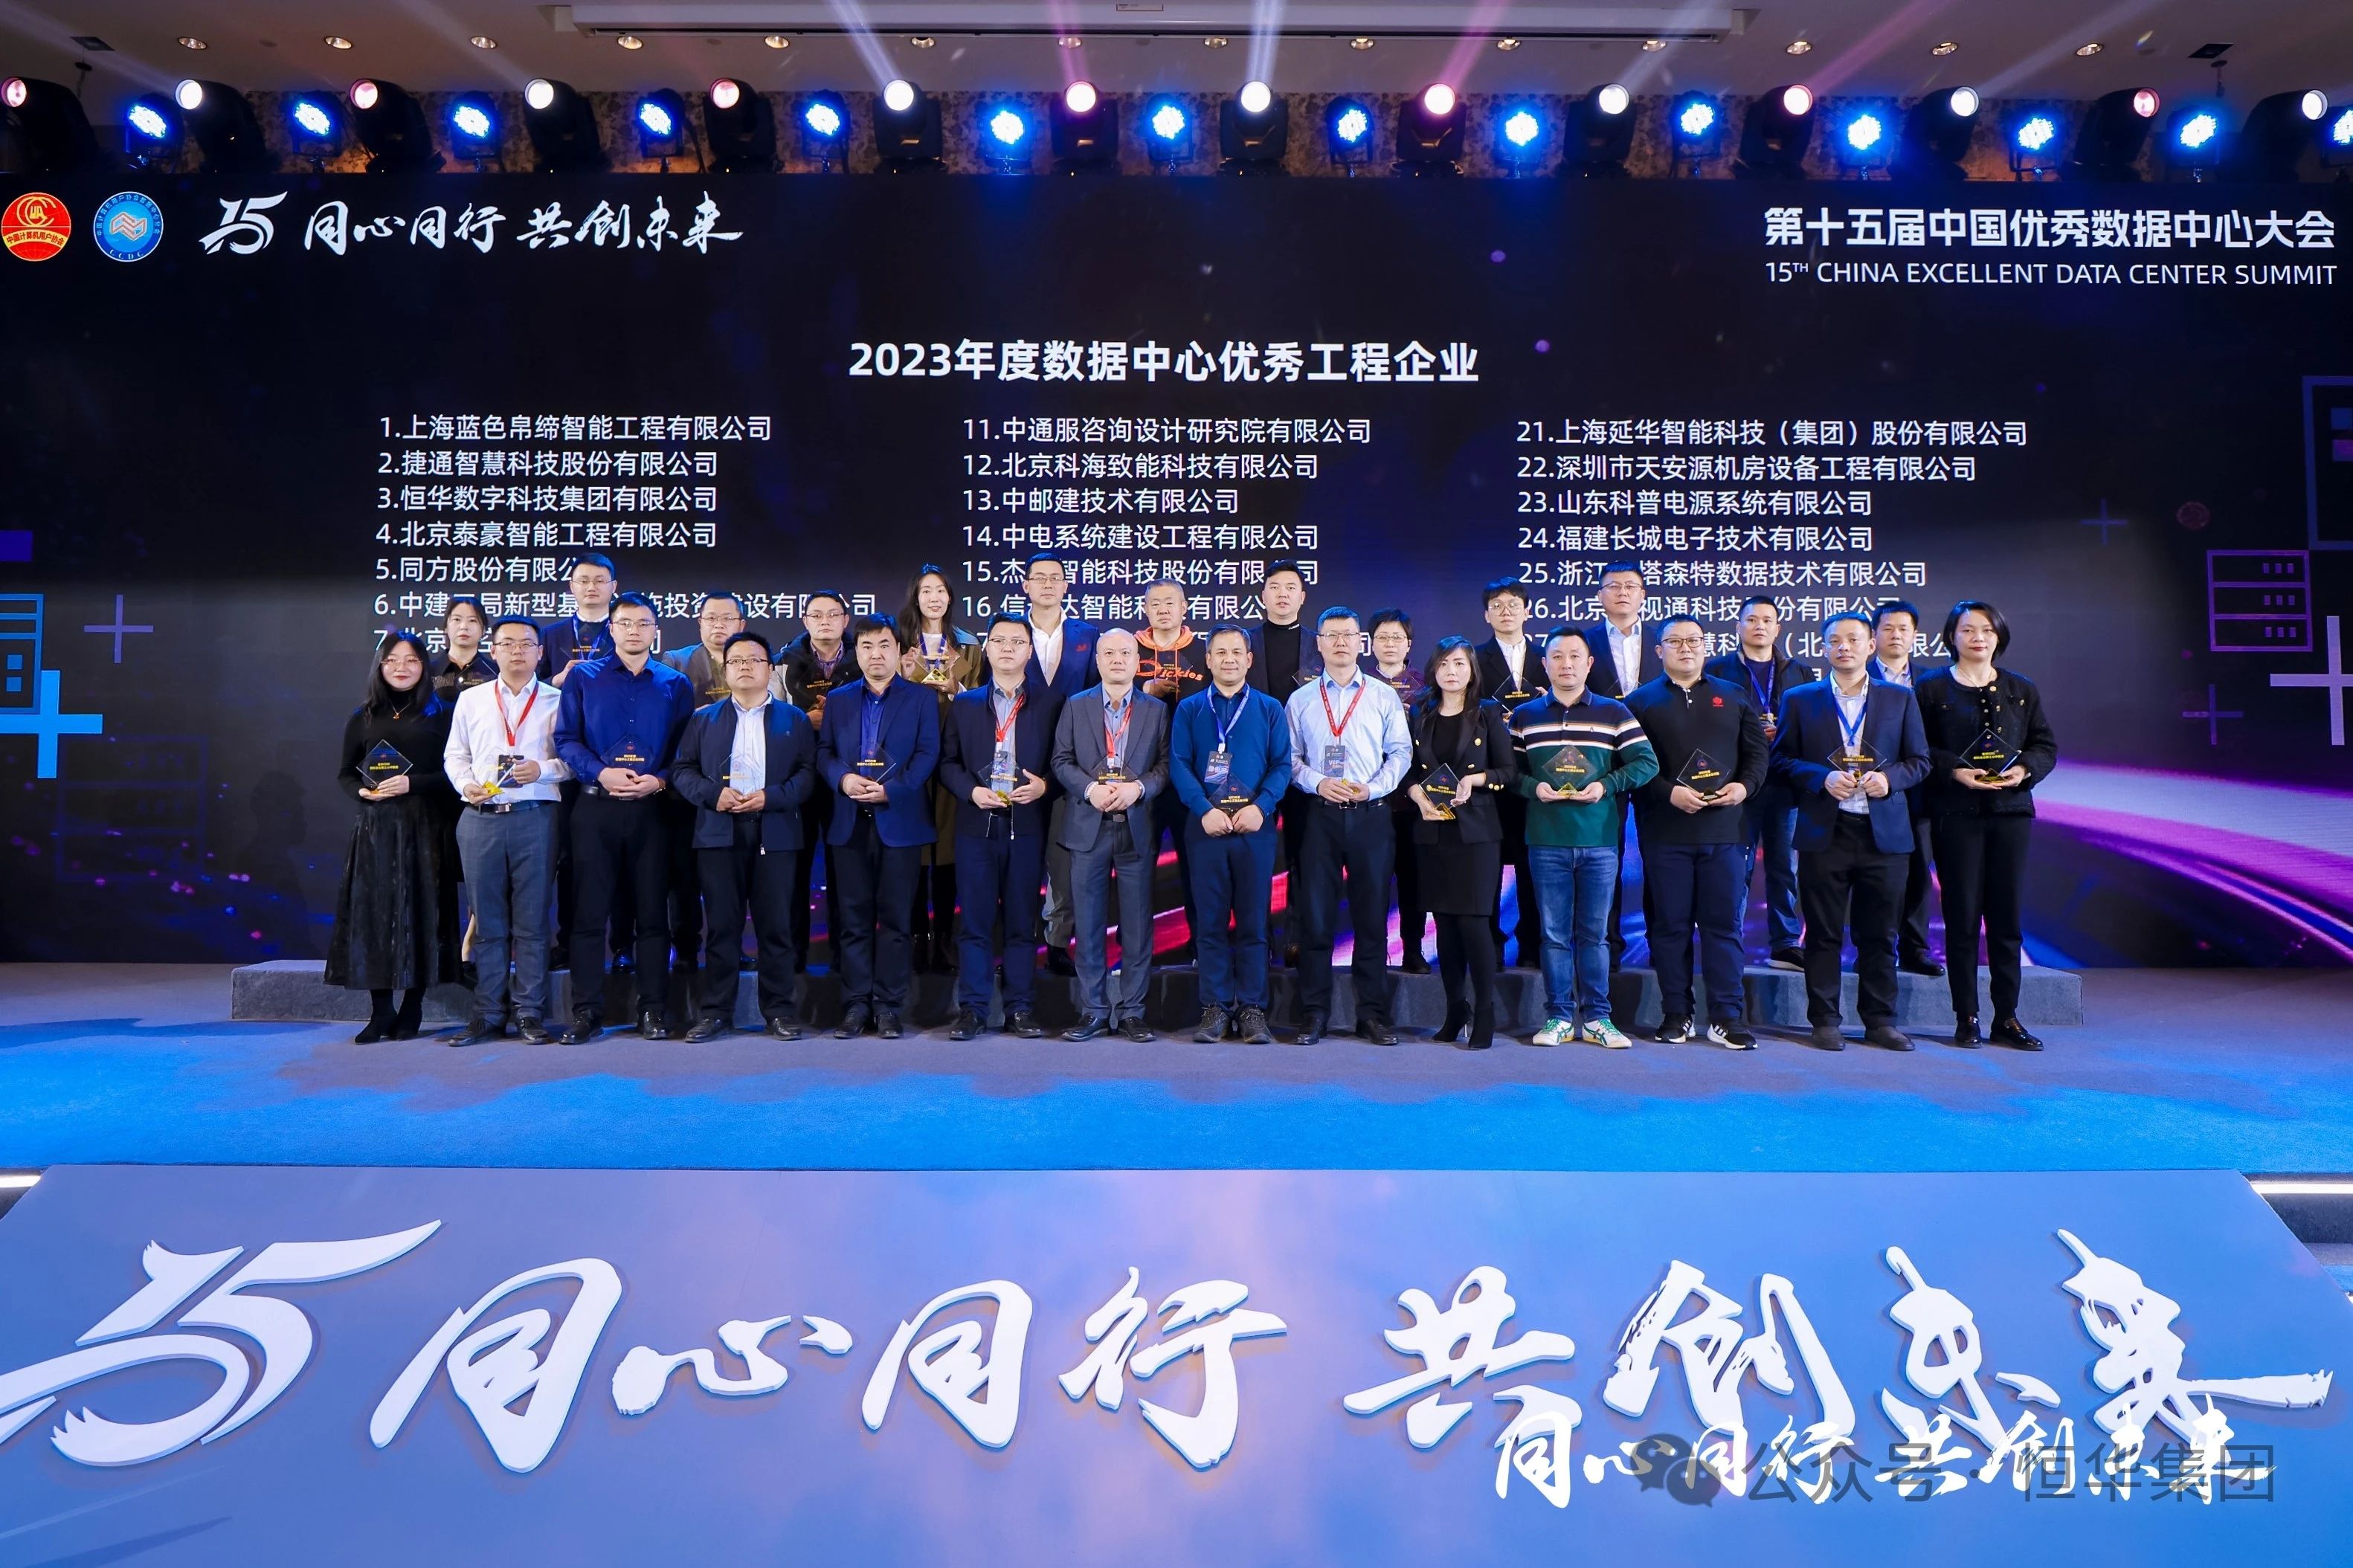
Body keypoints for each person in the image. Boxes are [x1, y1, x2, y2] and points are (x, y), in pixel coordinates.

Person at [1770, 611, 1932, 1054]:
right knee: (1823, 933)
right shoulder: (1801, 699)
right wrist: (1820, 777)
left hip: (1885, 834)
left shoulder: (1900, 698)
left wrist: (1890, 780)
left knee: (1880, 933)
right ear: (1822, 648)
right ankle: (1825, 1020)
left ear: (1870, 646)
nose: (1844, 647)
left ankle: (1880, 1021)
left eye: (1854, 639)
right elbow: (1780, 759)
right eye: (1835, 640)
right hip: (1826, 830)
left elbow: (1920, 761)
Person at [550, 593, 698, 1044]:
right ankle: (587, 1012)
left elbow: (685, 750)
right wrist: (601, 772)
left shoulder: (675, 683)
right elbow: (566, 739)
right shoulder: (584, 678)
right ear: (611, 629)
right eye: (626, 623)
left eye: (643, 624)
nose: (635, 631)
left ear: (656, 631)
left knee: (653, 914)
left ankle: (653, 1010)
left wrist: (660, 780)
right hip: (595, 807)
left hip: (654, 810)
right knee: (589, 915)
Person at [1916, 601, 2059, 1051]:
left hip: (2010, 814)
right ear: (1951, 636)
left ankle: (2007, 1017)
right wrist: (1955, 770)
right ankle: (1967, 1016)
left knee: (2006, 917)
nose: (1978, 637)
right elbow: (1918, 748)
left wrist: (2025, 771)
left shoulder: (2021, 688)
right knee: (1961, 916)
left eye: (1987, 630)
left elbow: (2044, 745)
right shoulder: (1930, 688)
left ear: (1999, 637)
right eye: (1968, 629)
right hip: (1955, 815)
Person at [1624, 615, 1768, 1051]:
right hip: (1666, 833)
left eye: (1694, 641)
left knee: (1723, 926)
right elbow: (1631, 766)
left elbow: (1757, 755)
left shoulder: (1734, 695)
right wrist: (1668, 793)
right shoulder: (1639, 702)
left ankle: (1727, 1017)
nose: (1686, 648)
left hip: (1726, 832)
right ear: (1659, 651)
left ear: (1706, 647)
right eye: (1675, 641)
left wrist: (1744, 787)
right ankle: (1676, 1013)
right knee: (1670, 927)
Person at [672, 630, 817, 1042]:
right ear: (725, 669)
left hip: (776, 833)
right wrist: (712, 795)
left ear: (770, 669)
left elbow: (808, 775)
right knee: (722, 928)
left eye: (754, 660)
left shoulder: (794, 720)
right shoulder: (704, 719)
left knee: (776, 927)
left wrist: (772, 797)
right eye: (736, 661)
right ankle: (716, 1012)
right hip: (718, 834)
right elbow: (682, 771)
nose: (745, 667)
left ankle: (779, 1011)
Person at [1513, 633, 1655, 1049]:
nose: (1566, 664)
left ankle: (1597, 1018)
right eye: (1557, 657)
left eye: (1575, 656)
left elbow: (1647, 763)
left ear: (1589, 663)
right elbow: (1508, 772)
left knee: (1595, 935)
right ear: (1545, 664)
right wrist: (1532, 788)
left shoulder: (1614, 712)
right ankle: (1558, 1016)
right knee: (1554, 935)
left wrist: (1606, 785)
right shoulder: (1524, 716)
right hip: (1546, 840)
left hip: (1599, 841)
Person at [1285, 607, 1413, 1045]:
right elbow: (1290, 759)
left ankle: (1372, 1015)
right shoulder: (1301, 699)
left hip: (1370, 816)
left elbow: (1401, 753)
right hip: (1319, 816)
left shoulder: (1383, 695)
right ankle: (1314, 1013)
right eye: (1331, 636)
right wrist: (1318, 782)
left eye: (1348, 635)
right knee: (1316, 919)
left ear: (1361, 643)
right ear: (1318, 643)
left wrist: (1373, 789)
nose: (1340, 642)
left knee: (1372, 919)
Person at [441, 616, 567, 1046]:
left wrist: (543, 769)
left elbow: (574, 760)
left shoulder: (557, 701)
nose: (517, 651)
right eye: (507, 643)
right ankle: (488, 1014)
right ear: (492, 651)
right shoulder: (472, 700)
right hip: (480, 819)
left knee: (532, 923)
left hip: (536, 816)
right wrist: (465, 785)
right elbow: (455, 755)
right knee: (488, 922)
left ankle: (529, 1013)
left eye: (526, 644)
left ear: (540, 652)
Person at [328, 630, 458, 1043]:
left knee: (422, 914)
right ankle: (381, 1010)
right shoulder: (363, 716)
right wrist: (361, 793)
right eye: (392, 660)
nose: (401, 668)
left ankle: (412, 1008)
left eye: (411, 660)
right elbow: (346, 773)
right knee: (374, 918)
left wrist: (413, 784)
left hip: (426, 826)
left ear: (424, 667)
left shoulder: (444, 713)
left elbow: (457, 774)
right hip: (376, 830)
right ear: (380, 666)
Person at [818, 616, 941, 1039]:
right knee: (852, 920)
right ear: (857, 653)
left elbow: (928, 754)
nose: (876, 655)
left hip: (899, 821)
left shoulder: (921, 699)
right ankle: (856, 1005)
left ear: (900, 651)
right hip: (849, 822)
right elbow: (824, 752)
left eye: (885, 646)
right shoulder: (839, 699)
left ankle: (889, 1006)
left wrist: (893, 790)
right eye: (867, 647)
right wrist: (843, 780)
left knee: (896, 921)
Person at [936, 614, 1056, 1041]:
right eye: (999, 641)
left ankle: (1020, 1009)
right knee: (975, 923)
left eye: (1017, 642)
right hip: (976, 826)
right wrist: (971, 791)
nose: (1008, 648)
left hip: (1027, 827)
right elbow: (947, 763)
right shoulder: (966, 704)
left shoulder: (1052, 702)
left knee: (1023, 924)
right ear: (986, 649)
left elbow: (1064, 763)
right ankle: (973, 1010)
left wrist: (1045, 785)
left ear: (1030, 650)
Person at [1170, 625, 1290, 1045]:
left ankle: (1253, 1009)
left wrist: (1262, 807)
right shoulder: (1189, 709)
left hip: (1255, 828)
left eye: (1237, 652)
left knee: (1255, 922)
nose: (1229, 660)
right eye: (1220, 652)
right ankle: (1215, 1007)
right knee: (1210, 923)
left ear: (1249, 659)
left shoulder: (1270, 708)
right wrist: (1203, 809)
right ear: (1208, 659)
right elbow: (1179, 764)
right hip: (1205, 828)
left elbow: (1282, 764)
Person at [1052, 629, 1168, 1042]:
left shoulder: (1157, 710)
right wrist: (1090, 789)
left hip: (1136, 826)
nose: (1117, 660)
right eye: (1109, 653)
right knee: (1088, 925)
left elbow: (1165, 766)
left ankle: (1134, 1011)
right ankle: (1094, 1011)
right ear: (1098, 660)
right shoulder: (1076, 704)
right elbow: (1061, 760)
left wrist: (1138, 789)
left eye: (1125, 653)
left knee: (1137, 926)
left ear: (1138, 660)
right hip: (1088, 826)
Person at [1402, 636, 1516, 1048]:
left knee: (1473, 923)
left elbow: (1509, 771)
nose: (1452, 672)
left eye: (1460, 664)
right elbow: (1407, 770)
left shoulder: (1487, 713)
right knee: (1445, 926)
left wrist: (1476, 779)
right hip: (1433, 831)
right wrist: (1416, 795)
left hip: (1476, 835)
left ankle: (1485, 1011)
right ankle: (1455, 1009)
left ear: (1472, 671)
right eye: (1445, 664)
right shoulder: (1420, 713)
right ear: (1433, 669)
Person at [1705, 595, 1815, 972]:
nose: (1759, 626)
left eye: (1767, 620)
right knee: (1736, 868)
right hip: (1735, 784)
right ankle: (1729, 939)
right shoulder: (1716, 670)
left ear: (1778, 628)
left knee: (1785, 867)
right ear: (1738, 626)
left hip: (1785, 785)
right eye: (1751, 620)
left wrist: (1781, 732)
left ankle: (1785, 943)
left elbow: (1811, 727)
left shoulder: (1801, 673)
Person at [898, 566, 984, 975]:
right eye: (925, 591)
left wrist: (956, 689)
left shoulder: (968, 645)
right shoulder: (899, 642)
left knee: (947, 850)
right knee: (914, 848)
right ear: (915, 598)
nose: (933, 598)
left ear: (950, 597)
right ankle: (917, 937)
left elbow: (983, 700)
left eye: (940, 591)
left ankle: (945, 937)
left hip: (954, 753)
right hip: (908, 755)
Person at [1020, 552, 1101, 978]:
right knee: (1017, 861)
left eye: (1056, 578)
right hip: (1016, 763)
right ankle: (1016, 944)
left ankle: (1056, 943)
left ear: (1067, 585)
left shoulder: (1088, 635)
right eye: (1040, 578)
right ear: (1026, 586)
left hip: (1071, 767)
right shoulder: (1010, 632)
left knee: (1063, 864)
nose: (1048, 584)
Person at [538, 553, 618, 975]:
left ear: (613, 588)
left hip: (615, 757)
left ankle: (622, 946)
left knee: (622, 859)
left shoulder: (624, 628)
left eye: (599, 580)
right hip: (562, 760)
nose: (591, 587)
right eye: (583, 580)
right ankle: (567, 941)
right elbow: (527, 688)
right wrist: (556, 682)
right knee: (568, 858)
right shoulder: (549, 635)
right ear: (571, 586)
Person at [773, 589, 856, 972]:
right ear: (804, 620)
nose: (825, 621)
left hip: (847, 775)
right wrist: (804, 722)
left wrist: (835, 719)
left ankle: (844, 960)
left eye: (833, 614)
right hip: (799, 774)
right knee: (796, 870)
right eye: (817, 615)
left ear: (845, 620)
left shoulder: (863, 658)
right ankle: (793, 961)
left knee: (846, 871)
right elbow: (771, 718)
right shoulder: (782, 662)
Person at [1472, 579, 1547, 969]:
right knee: (1487, 868)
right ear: (1487, 615)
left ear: (1527, 611)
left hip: (1538, 775)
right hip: (1488, 776)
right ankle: (1490, 947)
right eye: (1497, 605)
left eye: (1513, 604)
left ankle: (1532, 944)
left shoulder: (1548, 656)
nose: (1506, 612)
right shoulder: (1472, 658)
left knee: (1532, 866)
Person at [1868, 599, 1945, 978]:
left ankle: (1914, 948)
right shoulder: (1855, 674)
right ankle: (1869, 950)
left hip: (1919, 793)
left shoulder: (1932, 682)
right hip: (1866, 792)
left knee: (1918, 873)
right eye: (1887, 628)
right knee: (1869, 875)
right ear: (1873, 636)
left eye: (1903, 629)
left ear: (1916, 635)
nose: (1895, 635)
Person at [1247, 561, 1319, 963]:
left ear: (1302, 596)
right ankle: (1258, 940)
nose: (1283, 594)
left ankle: (1295, 938)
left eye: (1291, 587)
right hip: (1256, 767)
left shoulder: (1319, 644)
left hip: (1306, 764)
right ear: (1263, 595)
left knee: (1302, 855)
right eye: (1275, 587)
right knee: (1257, 857)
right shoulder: (1244, 643)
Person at [1136, 578, 1209, 961]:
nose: (1163, 610)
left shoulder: (1204, 651)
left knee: (1197, 867)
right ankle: (1135, 952)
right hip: (1139, 777)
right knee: (1136, 869)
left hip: (1192, 778)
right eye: (1156, 603)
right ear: (1145, 609)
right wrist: (1144, 694)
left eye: (1171, 603)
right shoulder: (1128, 649)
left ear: (1184, 608)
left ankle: (1201, 947)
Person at [1365, 609, 1430, 974]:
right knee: (1371, 882)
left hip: (1415, 800)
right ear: (1371, 644)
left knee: (1414, 881)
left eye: (1397, 638)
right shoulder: (1358, 684)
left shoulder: (1428, 687)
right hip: (1370, 799)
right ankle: (1372, 952)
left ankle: (1413, 950)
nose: (1390, 644)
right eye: (1383, 637)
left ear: (1409, 644)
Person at [663, 590, 746, 703]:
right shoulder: (677, 662)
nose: (718, 625)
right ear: (700, 623)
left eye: (727, 619)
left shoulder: (757, 661)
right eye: (711, 618)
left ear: (741, 625)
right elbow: (664, 708)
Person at [433, 596, 496, 704]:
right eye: (457, 620)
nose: (464, 627)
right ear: (446, 627)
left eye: (472, 620)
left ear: (484, 630)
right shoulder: (428, 671)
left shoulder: (495, 672)